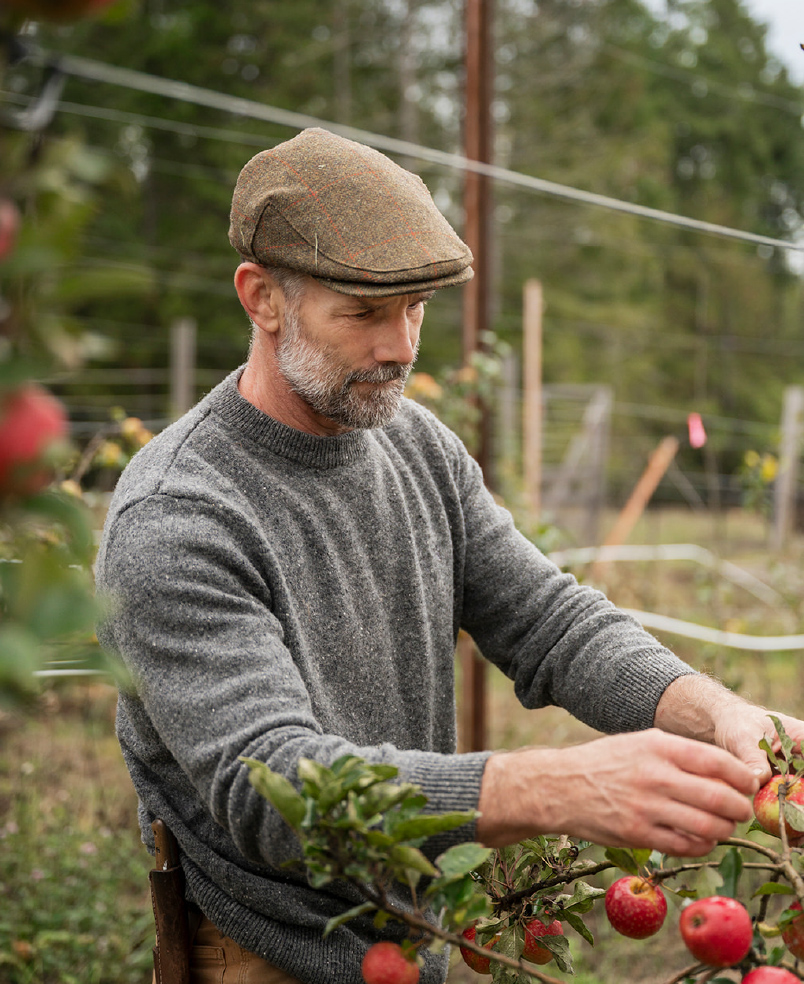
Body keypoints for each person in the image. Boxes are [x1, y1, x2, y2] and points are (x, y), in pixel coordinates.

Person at [95, 127, 804, 984]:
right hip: (266, 952)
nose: (401, 346)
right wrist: (557, 788)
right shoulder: (179, 515)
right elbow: (274, 790)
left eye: (416, 308)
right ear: (263, 298)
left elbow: (550, 623)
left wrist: (720, 714)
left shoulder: (416, 446)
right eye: (364, 313)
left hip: (409, 939)